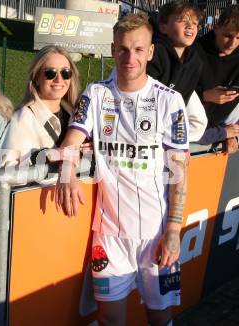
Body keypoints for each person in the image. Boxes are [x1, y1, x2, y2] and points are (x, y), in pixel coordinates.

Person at [55, 13, 188, 325]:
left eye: (139, 49)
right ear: (113, 49)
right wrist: (66, 172)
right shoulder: (96, 93)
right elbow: (72, 140)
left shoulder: (169, 101)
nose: (130, 57)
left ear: (151, 52)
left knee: (159, 316)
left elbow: (179, 171)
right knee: (110, 319)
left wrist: (173, 229)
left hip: (156, 234)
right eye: (123, 49)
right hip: (110, 237)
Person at [0, 45, 80, 166]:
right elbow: (5, 168)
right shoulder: (23, 118)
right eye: (50, 73)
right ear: (36, 78)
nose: (59, 79)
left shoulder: (76, 115)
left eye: (65, 72)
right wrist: (48, 156)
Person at [147, 0, 207, 142]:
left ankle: (170, 140)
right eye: (182, 21)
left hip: (172, 108)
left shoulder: (196, 61)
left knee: (199, 122)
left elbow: (184, 97)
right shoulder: (155, 53)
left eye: (194, 23)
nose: (190, 26)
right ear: (163, 27)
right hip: (149, 108)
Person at [196, 5, 239, 153]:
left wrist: (233, 134)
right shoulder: (195, 51)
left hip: (223, 128)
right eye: (227, 35)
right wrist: (205, 95)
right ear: (216, 28)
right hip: (195, 127)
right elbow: (177, 91)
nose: (232, 43)